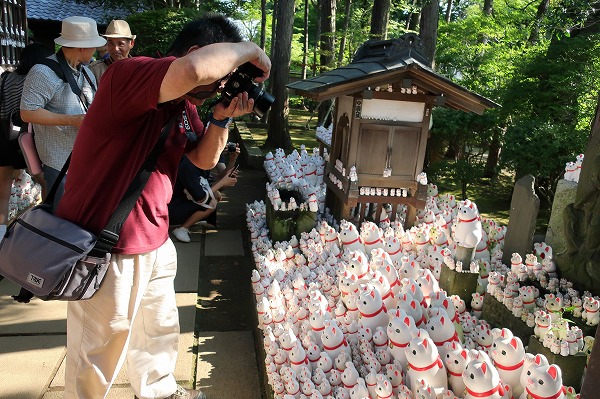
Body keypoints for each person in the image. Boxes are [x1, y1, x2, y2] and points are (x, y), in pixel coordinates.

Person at [54, 13, 270, 399]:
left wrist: (220, 118)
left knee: (158, 330)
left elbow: (202, 161)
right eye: (222, 76)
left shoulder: (183, 106)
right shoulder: (132, 73)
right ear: (196, 52)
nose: (221, 85)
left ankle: (158, 391)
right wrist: (250, 50)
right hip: (108, 244)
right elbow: (191, 70)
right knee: (98, 349)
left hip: (154, 236)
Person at [20, 16, 105, 206]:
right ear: (82, 47)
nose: (96, 50)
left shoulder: (86, 71)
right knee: (61, 218)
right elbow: (27, 112)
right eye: (93, 45)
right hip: (59, 161)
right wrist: (72, 120)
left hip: (86, 156)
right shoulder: (42, 71)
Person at [0, 43, 53, 240]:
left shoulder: (5, 78)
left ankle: (0, 239)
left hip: (5, 140)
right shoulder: (39, 80)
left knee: (2, 195)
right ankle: (46, 233)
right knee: (47, 185)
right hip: (31, 140)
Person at [169, 144, 240, 242]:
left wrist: (232, 160)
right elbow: (201, 197)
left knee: (216, 195)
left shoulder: (210, 153)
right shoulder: (188, 165)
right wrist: (223, 182)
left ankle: (190, 220)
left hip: (186, 197)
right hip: (173, 206)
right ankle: (182, 228)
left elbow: (221, 175)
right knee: (211, 203)